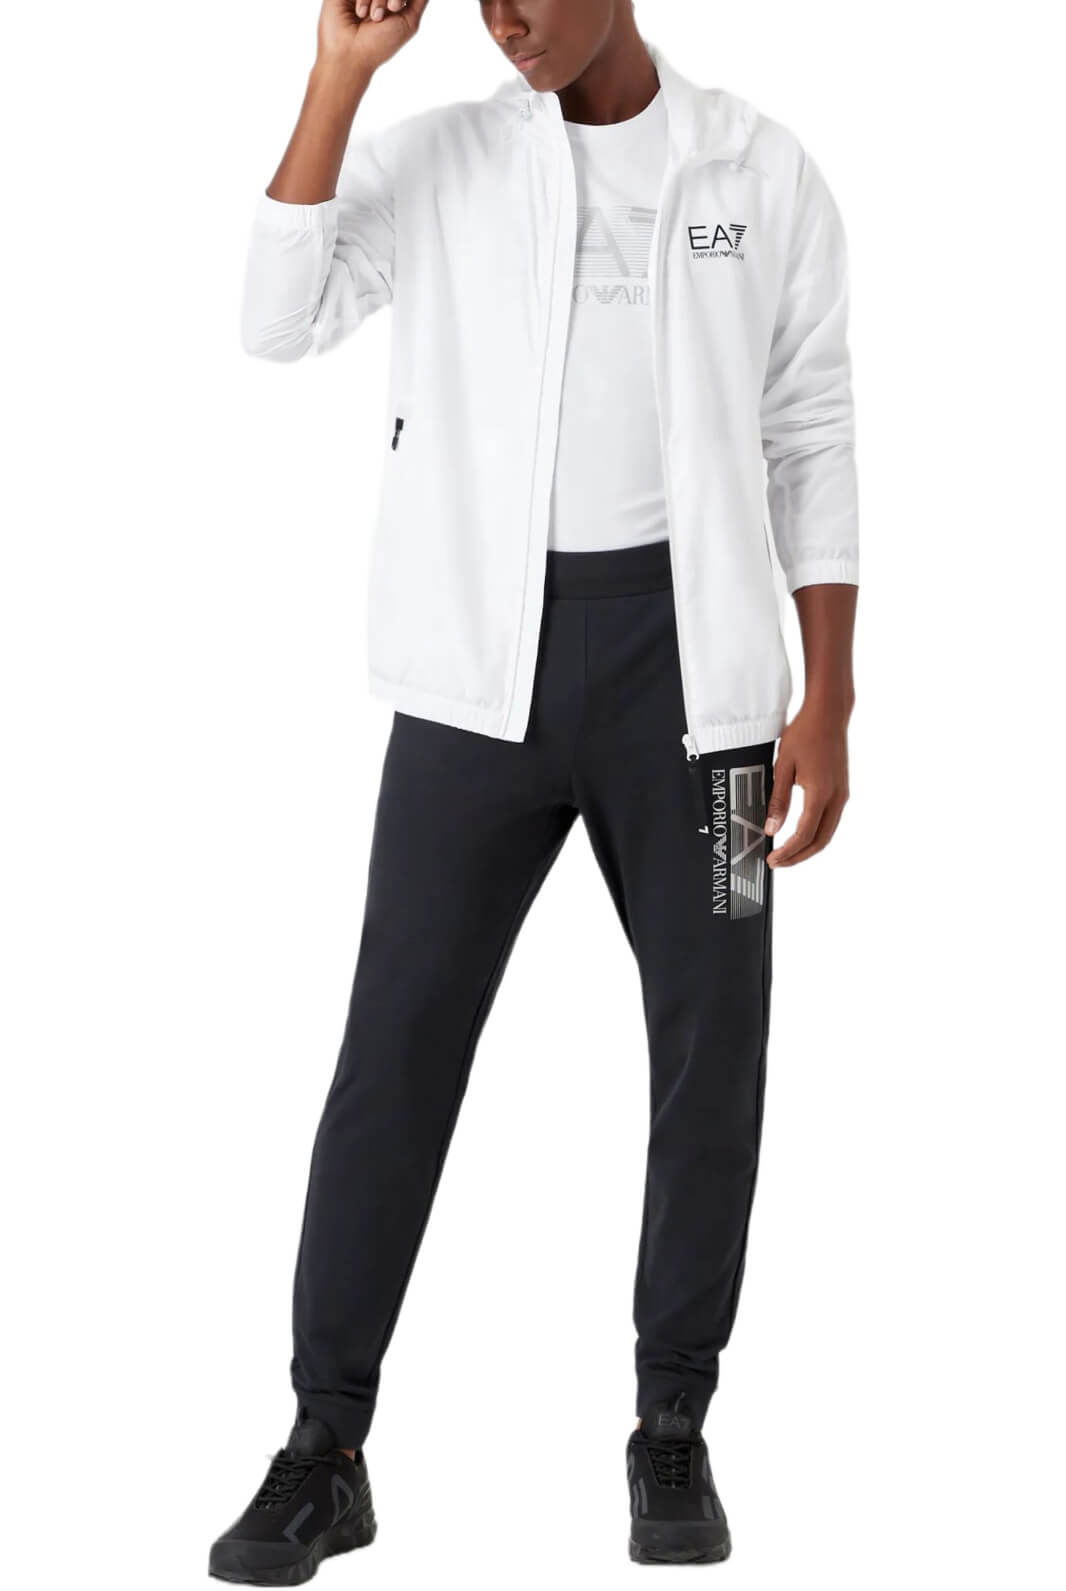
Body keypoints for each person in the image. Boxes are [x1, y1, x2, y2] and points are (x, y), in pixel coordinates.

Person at [209, 0, 858, 1578]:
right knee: (395, 1048)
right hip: (470, 691)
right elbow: (275, 318)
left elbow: (810, 427)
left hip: (701, 700)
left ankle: (670, 1423)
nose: (506, 24)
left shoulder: (755, 168)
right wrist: (337, 74)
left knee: (713, 1049)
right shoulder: (440, 160)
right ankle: (323, 1444)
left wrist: (826, 693)